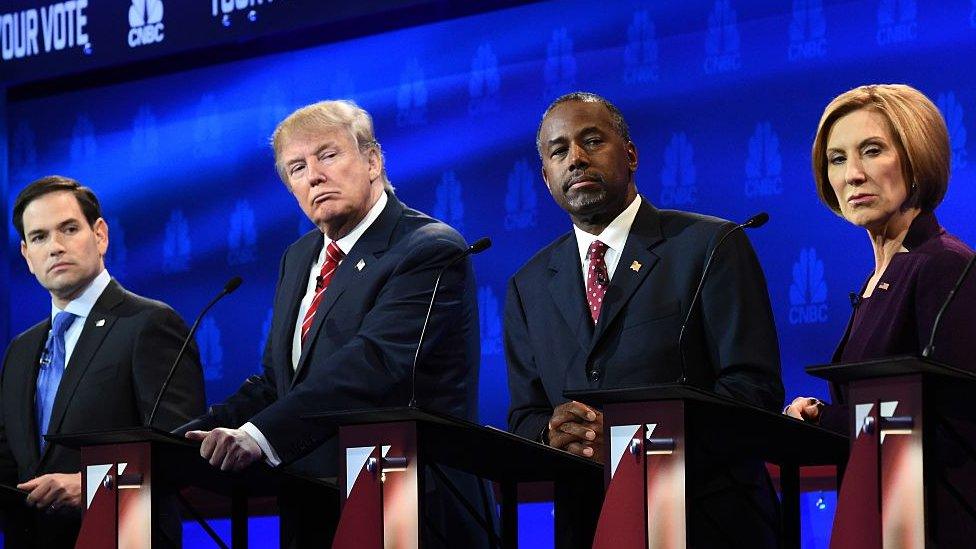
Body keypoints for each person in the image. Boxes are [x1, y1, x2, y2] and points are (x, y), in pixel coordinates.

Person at [177, 100, 490, 546]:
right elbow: (277, 383)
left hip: (412, 507)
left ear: (372, 160)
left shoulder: (429, 249)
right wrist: (173, 448)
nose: (314, 176)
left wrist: (258, 435)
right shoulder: (300, 257)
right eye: (296, 167)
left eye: (328, 155)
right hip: (316, 504)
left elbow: (374, 365)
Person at [506, 92, 785, 547]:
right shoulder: (528, 285)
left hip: (709, 520)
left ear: (631, 154)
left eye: (592, 141)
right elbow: (524, 415)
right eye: (559, 151)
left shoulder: (711, 245)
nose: (576, 158)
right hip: (592, 525)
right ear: (546, 176)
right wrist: (550, 433)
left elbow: (753, 389)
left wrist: (634, 442)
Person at [0, 176, 206, 548]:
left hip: (124, 536)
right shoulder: (20, 349)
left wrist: (93, 486)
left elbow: (182, 453)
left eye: (69, 229)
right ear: (27, 256)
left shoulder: (149, 324)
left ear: (100, 235)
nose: (55, 247)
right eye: (40, 237)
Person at [784, 84, 976, 425]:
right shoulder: (879, 278)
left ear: (918, 159)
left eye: (872, 151)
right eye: (837, 159)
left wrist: (826, 420)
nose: (852, 175)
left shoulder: (944, 264)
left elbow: (951, 417)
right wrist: (817, 416)